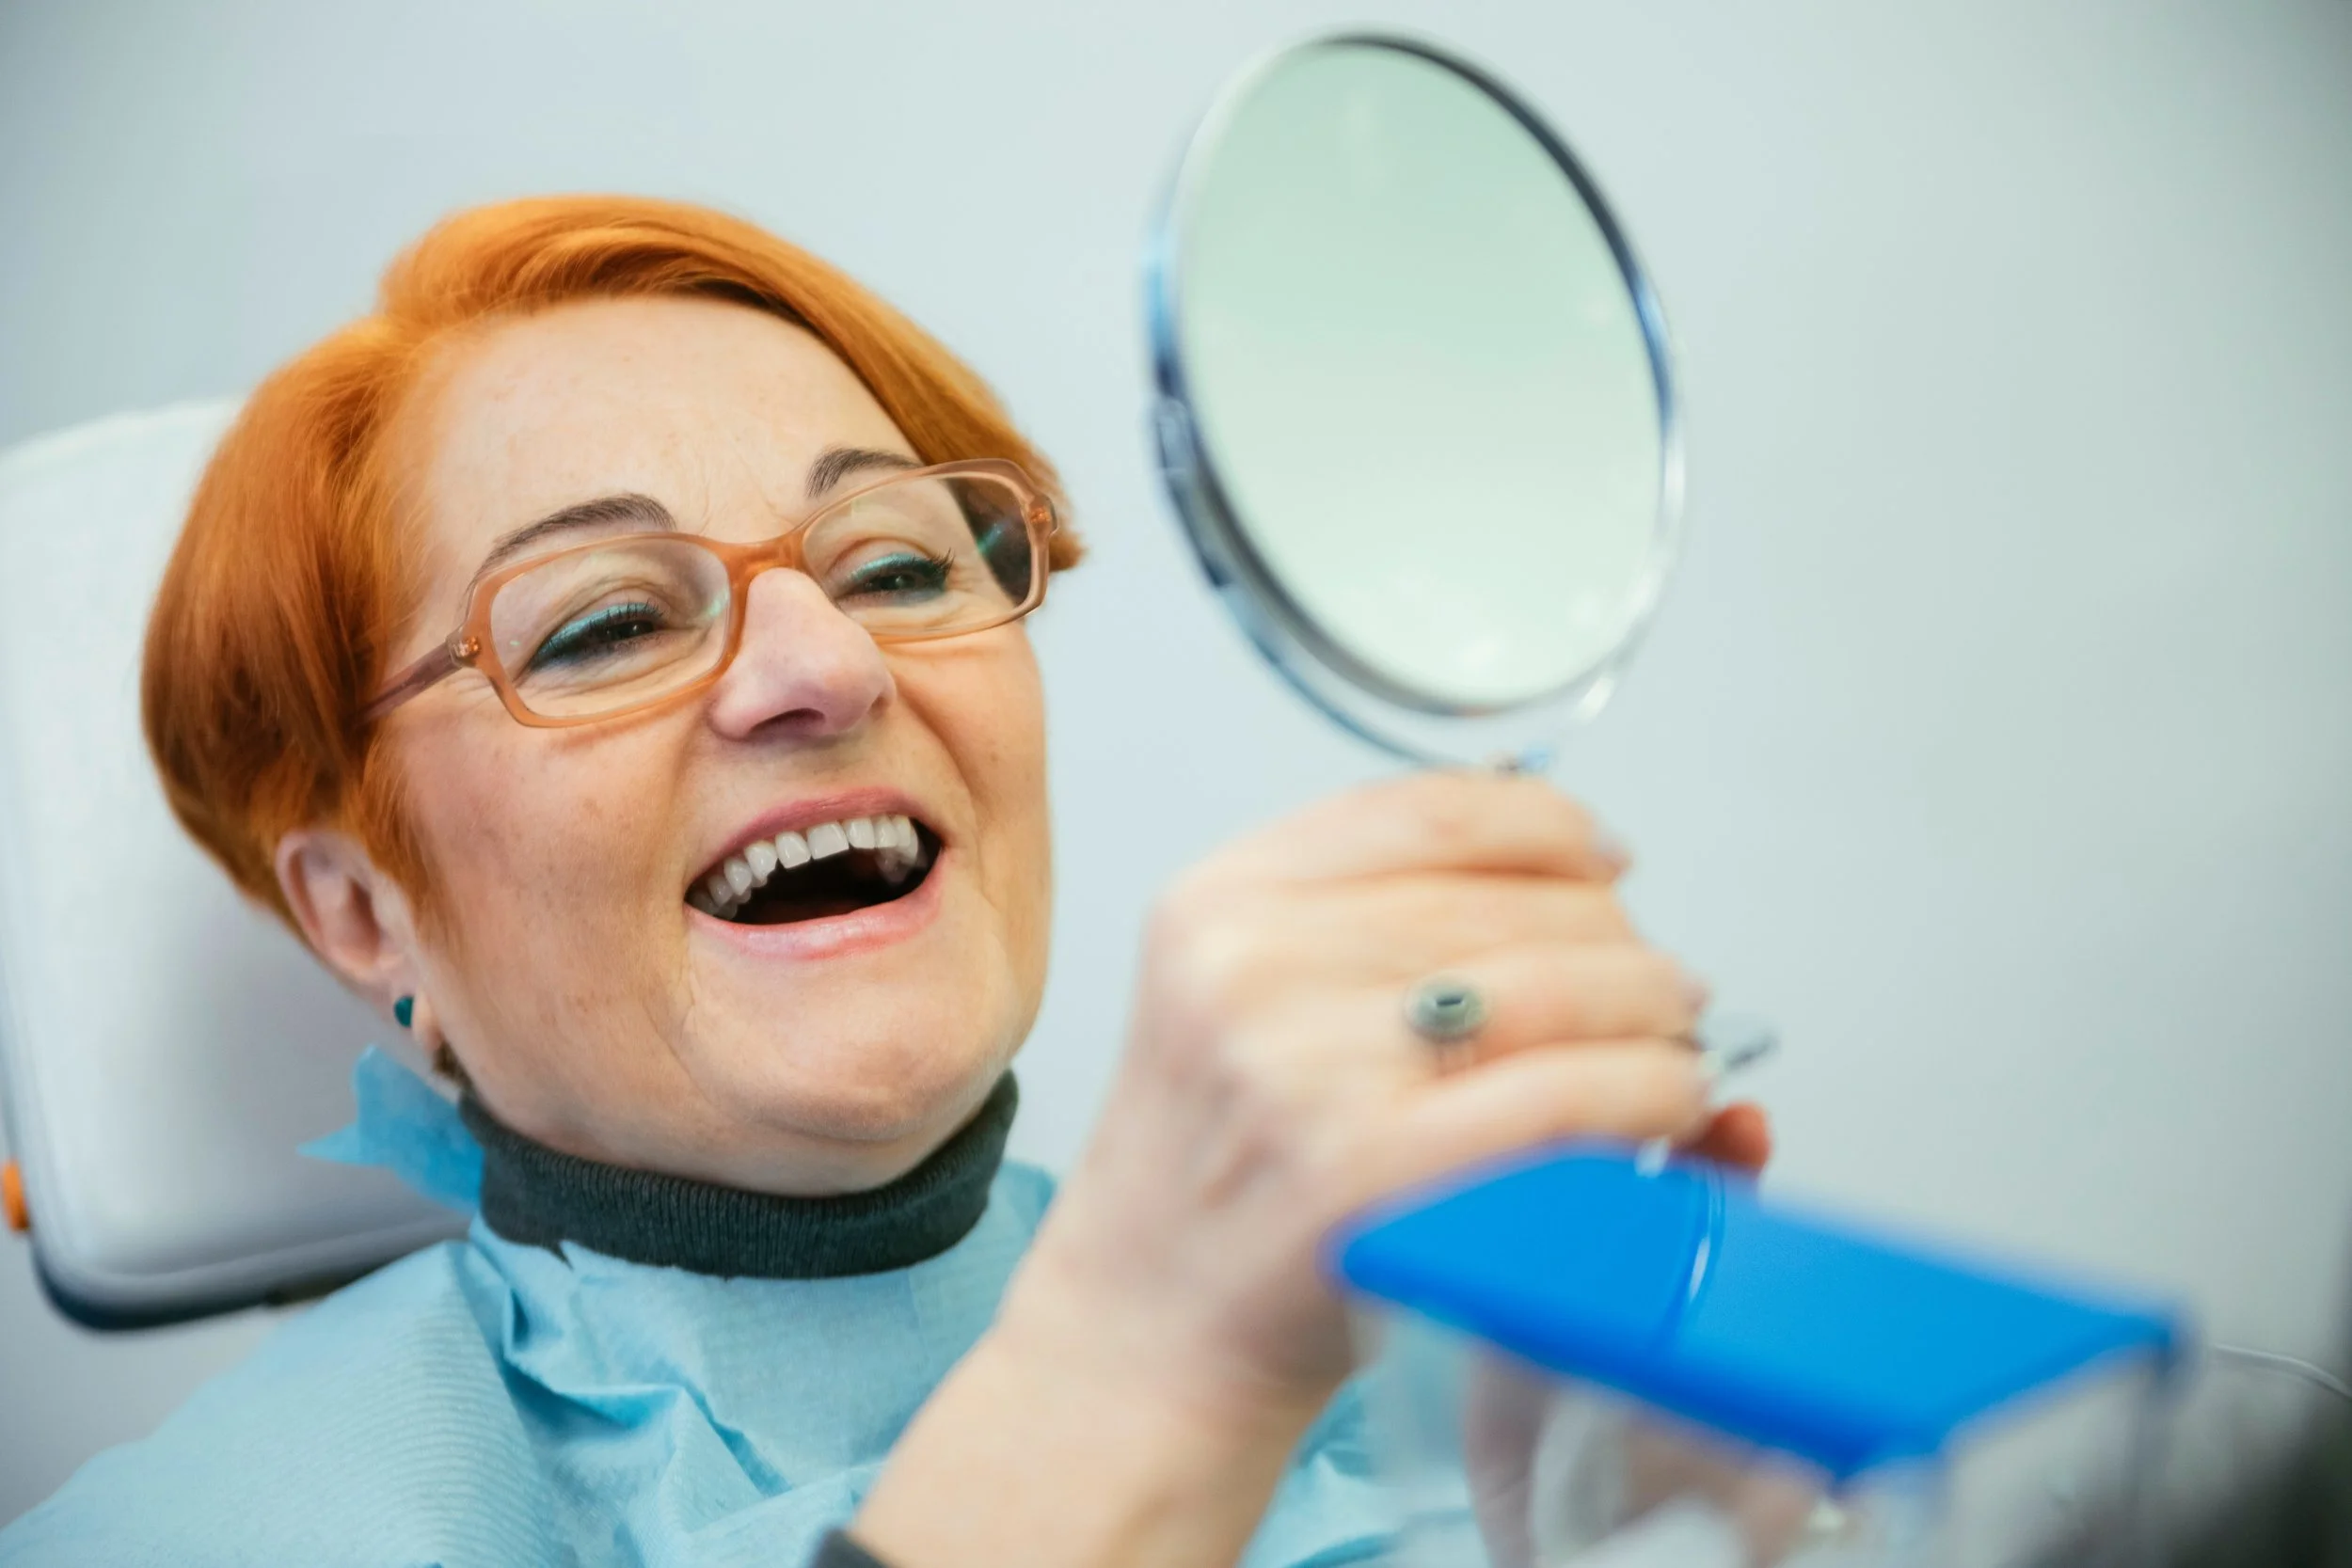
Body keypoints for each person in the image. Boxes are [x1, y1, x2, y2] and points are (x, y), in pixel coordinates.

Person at [0, 195, 1765, 1567]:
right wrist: (1139, 1385)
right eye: (611, 619)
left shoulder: (1424, 1351)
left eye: (903, 563)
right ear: (364, 909)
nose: (825, 662)